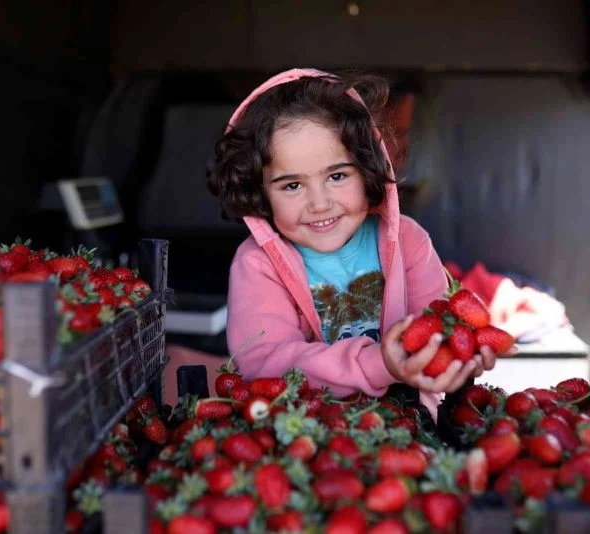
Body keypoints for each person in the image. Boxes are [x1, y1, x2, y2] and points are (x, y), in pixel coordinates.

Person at [207, 68, 495, 418]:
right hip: (303, 438)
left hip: (410, 429)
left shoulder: (409, 241)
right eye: (292, 185)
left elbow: (438, 332)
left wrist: (461, 355)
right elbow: (266, 365)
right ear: (260, 192)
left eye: (337, 176)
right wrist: (378, 364)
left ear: (369, 168)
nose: (319, 203)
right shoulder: (257, 264)